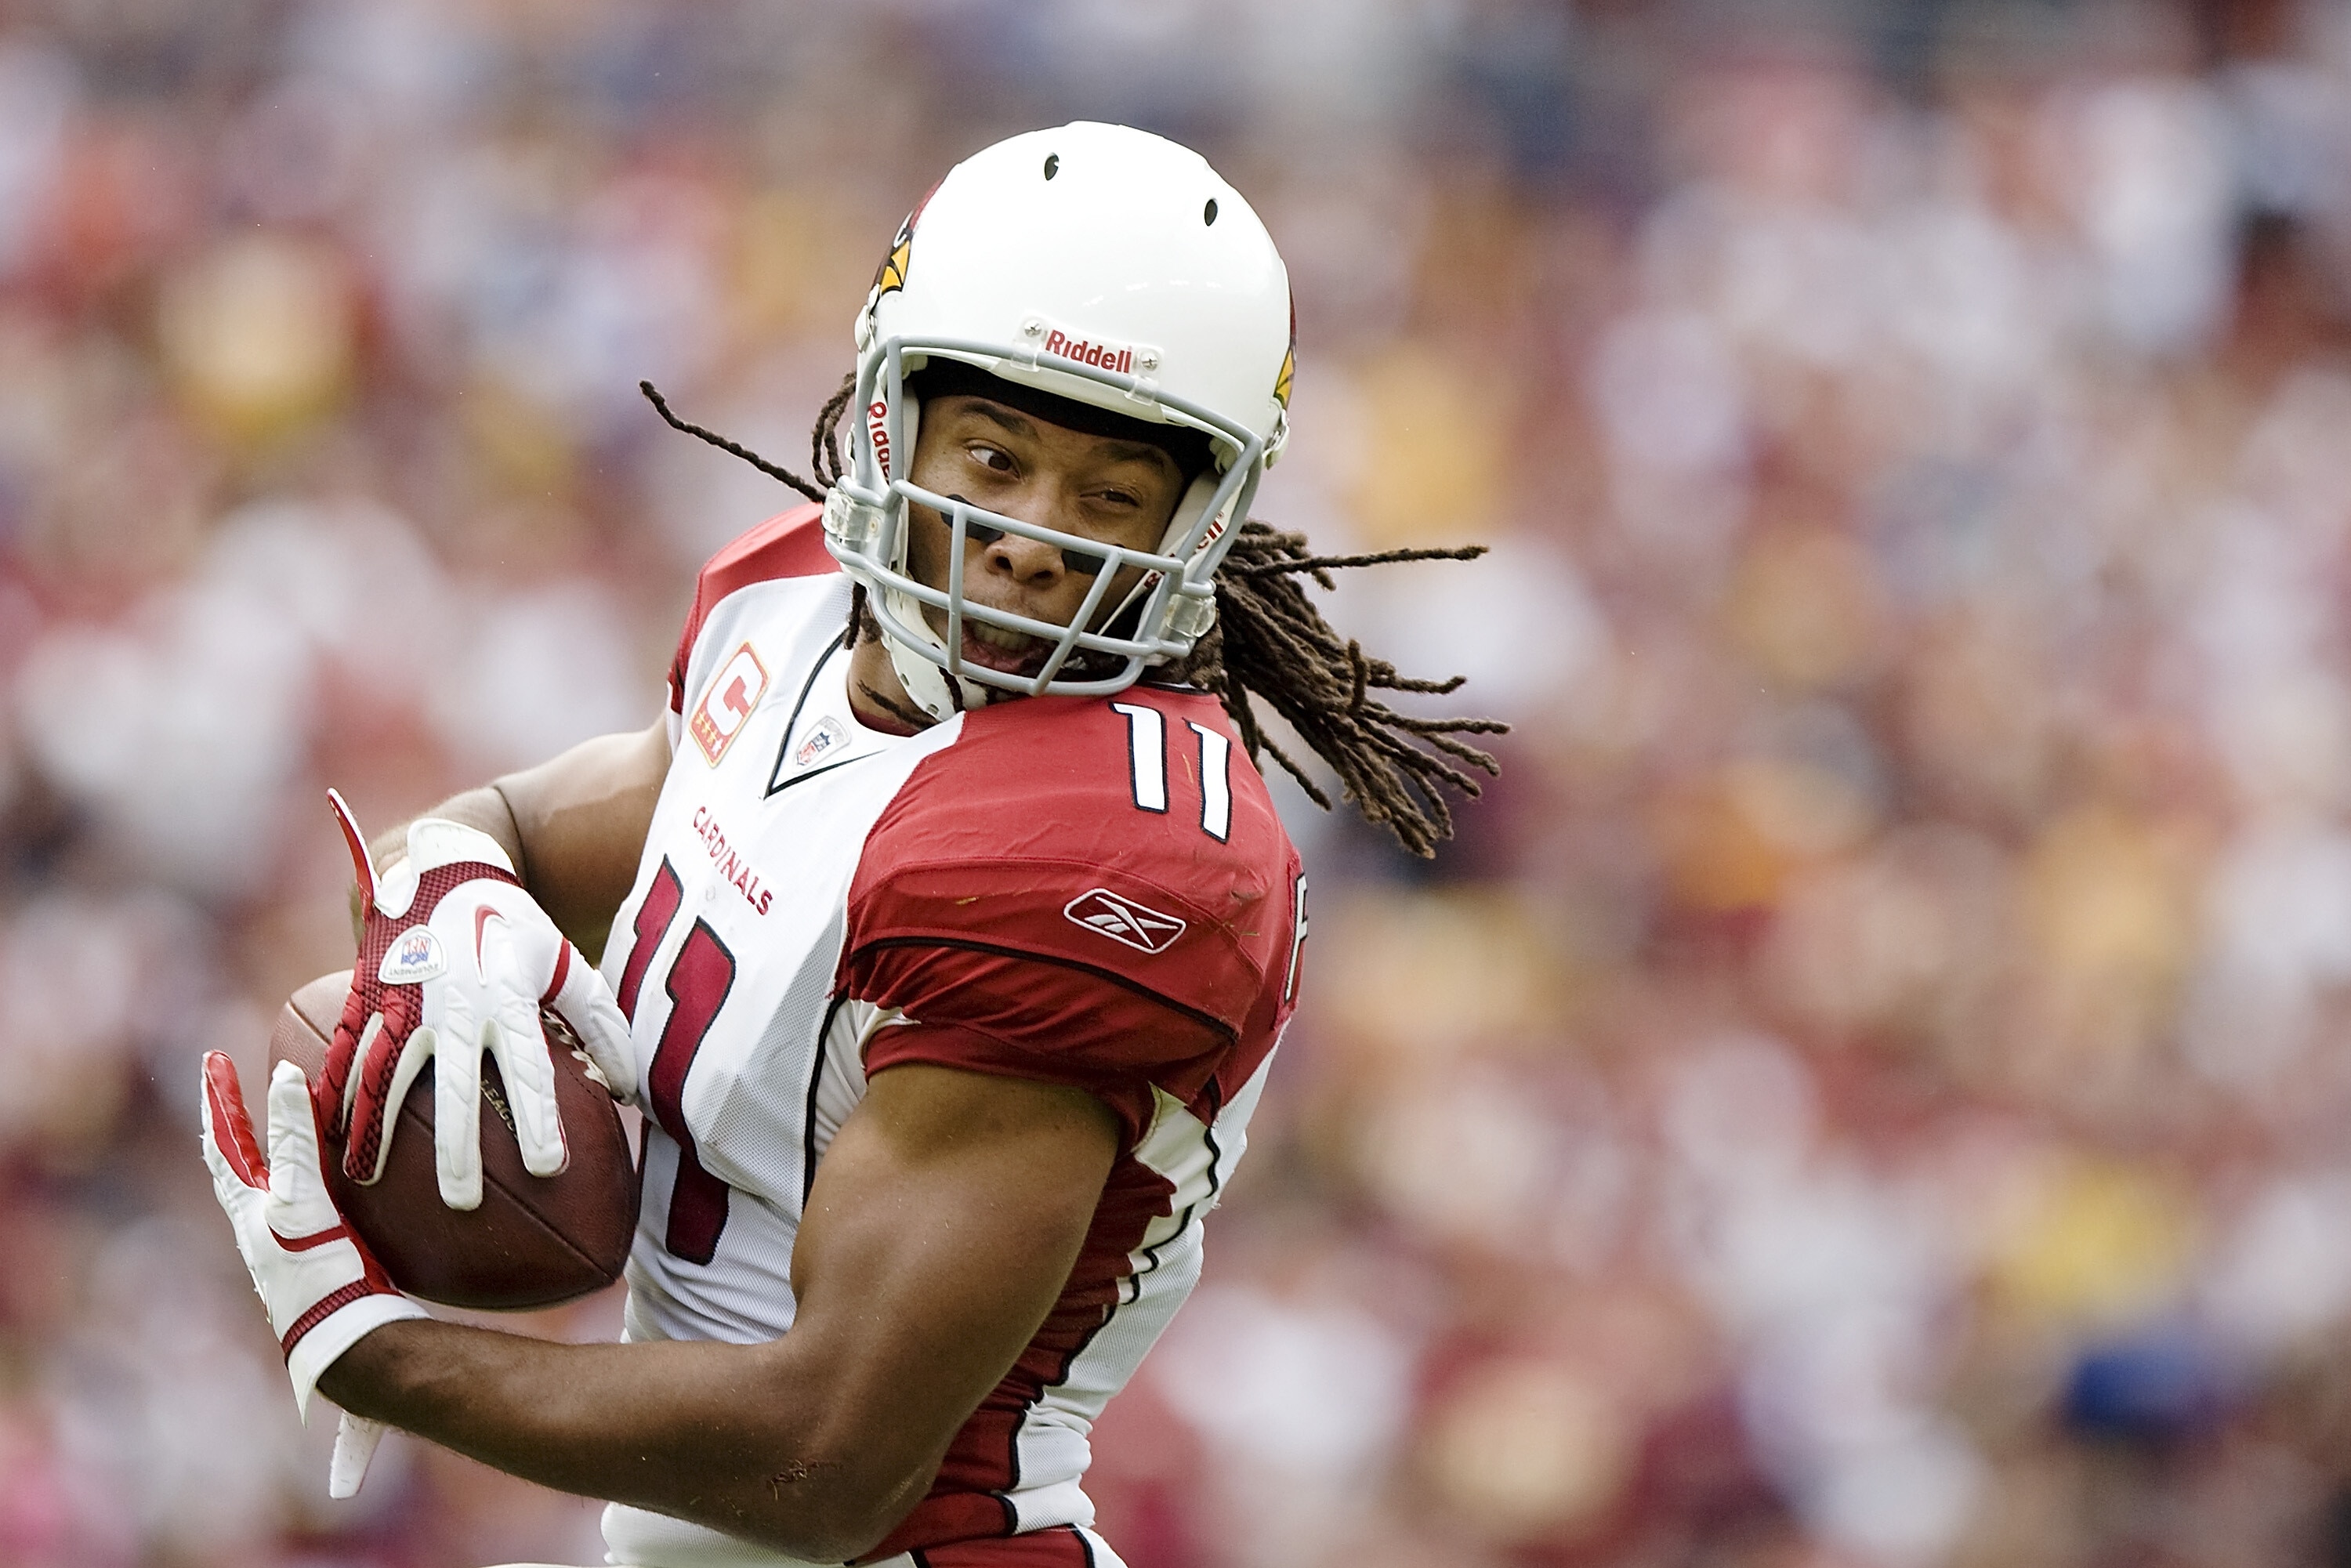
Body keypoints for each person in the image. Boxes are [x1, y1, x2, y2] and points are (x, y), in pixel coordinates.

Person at [200, 121, 1502, 1568]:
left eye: (1110, 496)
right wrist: (454, 882)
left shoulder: (1104, 856)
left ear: (1204, 515)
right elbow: (538, 822)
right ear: (893, 414)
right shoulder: (792, 606)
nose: (1030, 537)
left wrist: (369, 1348)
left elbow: (832, 1462)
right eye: (995, 457)